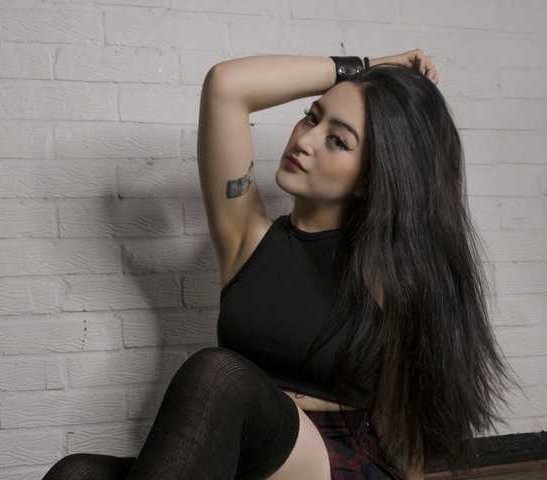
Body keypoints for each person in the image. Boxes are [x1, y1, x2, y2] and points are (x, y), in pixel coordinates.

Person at [41, 50, 521, 480]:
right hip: (238, 451)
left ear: (370, 177)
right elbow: (228, 86)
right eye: (311, 117)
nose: (306, 140)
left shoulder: (390, 272)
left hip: (340, 459)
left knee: (219, 375)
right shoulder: (247, 237)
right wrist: (365, 68)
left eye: (338, 141)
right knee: (76, 473)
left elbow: (409, 423)